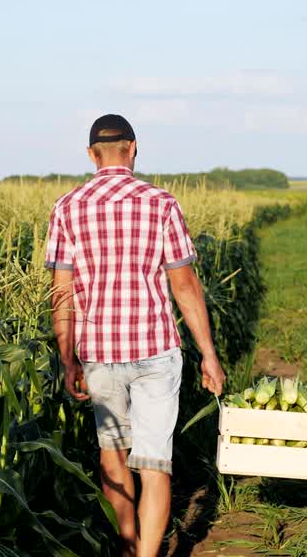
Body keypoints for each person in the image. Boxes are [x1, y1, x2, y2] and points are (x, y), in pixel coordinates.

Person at [45, 114, 226, 557]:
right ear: (134, 148)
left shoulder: (67, 207)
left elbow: (62, 293)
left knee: (113, 458)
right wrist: (208, 354)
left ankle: (126, 547)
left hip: (99, 353)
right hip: (155, 350)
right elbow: (185, 286)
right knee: (155, 465)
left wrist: (67, 359)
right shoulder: (161, 203)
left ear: (91, 154)